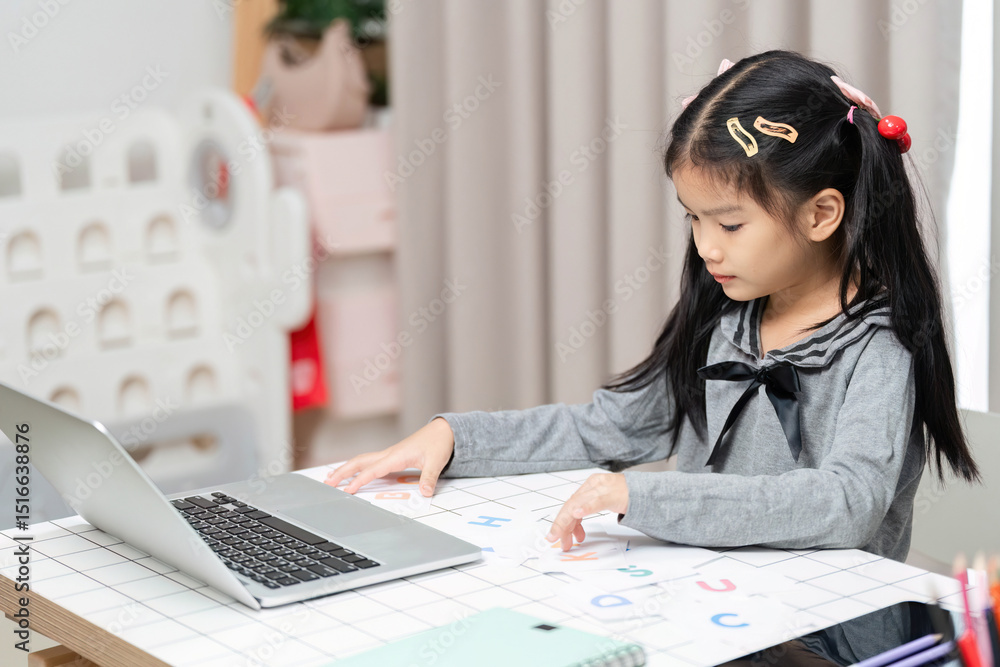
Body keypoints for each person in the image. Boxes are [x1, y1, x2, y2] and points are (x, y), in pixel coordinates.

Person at [326, 50, 980, 563]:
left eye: (730, 224)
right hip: (709, 605)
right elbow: (605, 430)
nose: (705, 247)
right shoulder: (730, 320)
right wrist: (457, 436)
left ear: (821, 214)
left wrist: (645, 495)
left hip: (823, 636)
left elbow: (847, 502)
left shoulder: (877, 347)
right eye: (694, 218)